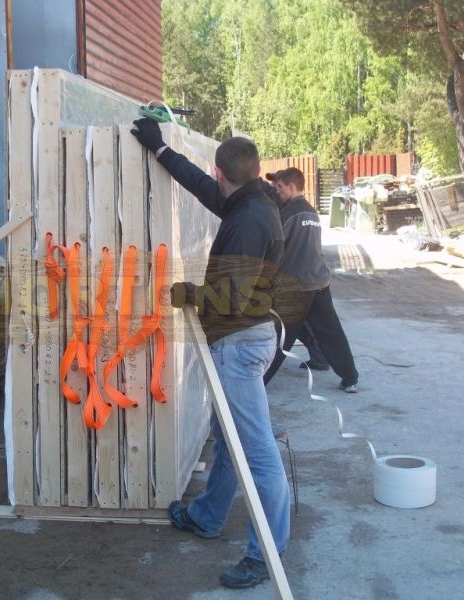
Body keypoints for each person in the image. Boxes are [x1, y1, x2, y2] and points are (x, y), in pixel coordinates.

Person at [131, 118, 290, 590]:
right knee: (229, 440)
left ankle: (266, 555)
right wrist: (161, 151)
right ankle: (206, 516)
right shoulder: (252, 200)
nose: (213, 183)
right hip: (246, 338)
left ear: (224, 173)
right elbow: (204, 188)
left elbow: (232, 298)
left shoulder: (247, 223)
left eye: (215, 175)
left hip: (240, 343)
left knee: (257, 454)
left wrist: (187, 294)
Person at [263, 167, 359, 392]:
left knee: (280, 339)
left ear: (292, 186)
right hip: (318, 283)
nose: (276, 192)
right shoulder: (311, 212)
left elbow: (274, 247)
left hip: (296, 289)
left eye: (279, 187)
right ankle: (350, 378)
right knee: (331, 332)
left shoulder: (287, 215)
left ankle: (257, 382)